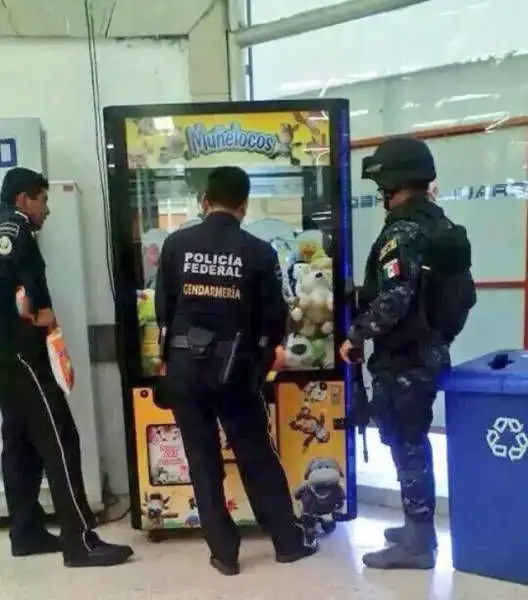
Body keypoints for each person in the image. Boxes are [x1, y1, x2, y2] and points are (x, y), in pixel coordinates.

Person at [155, 166, 318, 576]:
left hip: (183, 369)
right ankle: (286, 542)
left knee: (202, 461)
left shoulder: (176, 244)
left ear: (204, 201)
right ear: (245, 205)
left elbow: (163, 310)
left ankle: (224, 554)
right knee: (256, 455)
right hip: (235, 370)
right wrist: (258, 367)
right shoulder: (258, 252)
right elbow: (274, 318)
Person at [339, 136, 475, 570]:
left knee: (407, 443)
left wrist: (356, 335)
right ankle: (418, 526)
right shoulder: (439, 223)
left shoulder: (403, 231)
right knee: (411, 439)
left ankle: (418, 542)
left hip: (404, 357)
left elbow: (396, 298)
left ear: (393, 182)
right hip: (429, 349)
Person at [0, 167, 133, 567]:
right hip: (23, 354)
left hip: (6, 358)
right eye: (43, 200)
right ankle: (80, 541)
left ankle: (26, 531)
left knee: (20, 443)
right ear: (23, 199)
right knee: (61, 440)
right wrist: (31, 314)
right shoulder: (14, 229)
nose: (47, 209)